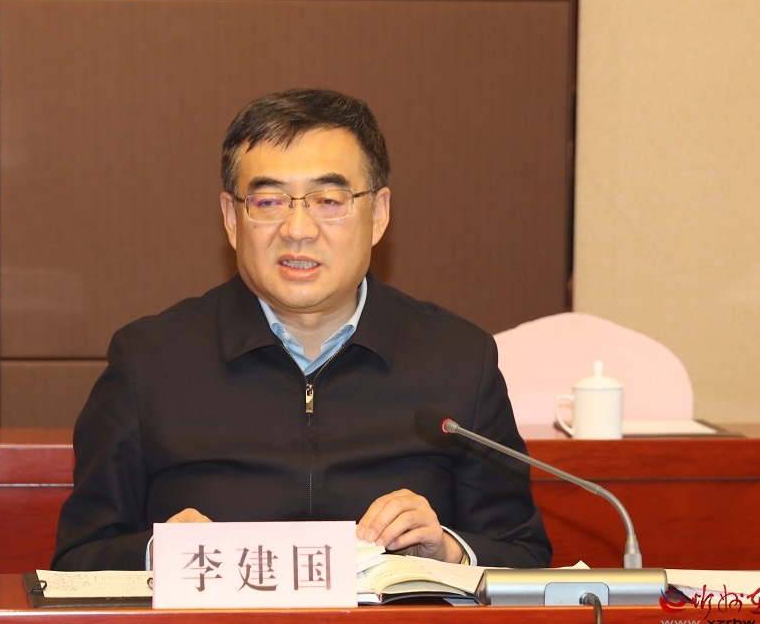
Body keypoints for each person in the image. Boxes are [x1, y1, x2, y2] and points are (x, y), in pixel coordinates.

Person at [52, 88, 552, 571]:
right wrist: (157, 554)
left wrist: (448, 552)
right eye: (268, 202)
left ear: (378, 214)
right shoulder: (149, 362)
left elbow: (525, 557)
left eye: (329, 200)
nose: (297, 229)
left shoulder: (459, 360)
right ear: (232, 218)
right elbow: (77, 562)